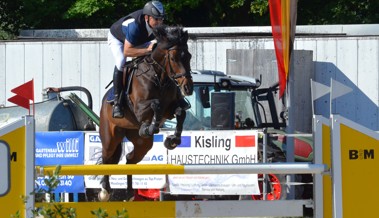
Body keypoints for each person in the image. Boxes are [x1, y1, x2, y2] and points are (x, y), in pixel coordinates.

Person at [107, 1, 165, 118]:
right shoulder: (135, 26)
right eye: (156, 19)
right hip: (118, 39)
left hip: (138, 40)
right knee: (120, 61)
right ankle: (117, 102)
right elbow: (127, 51)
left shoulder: (156, 26)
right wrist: (148, 51)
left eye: (161, 19)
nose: (160, 22)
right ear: (147, 18)